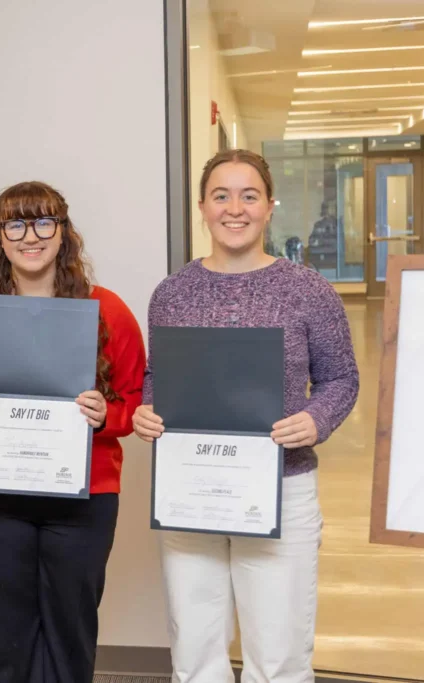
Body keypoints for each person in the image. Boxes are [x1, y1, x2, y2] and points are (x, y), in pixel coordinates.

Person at [133, 149, 360, 683]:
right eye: (221, 196)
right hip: (191, 489)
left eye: (249, 195)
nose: (234, 208)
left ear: (269, 205)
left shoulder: (308, 290)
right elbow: (157, 376)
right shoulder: (171, 294)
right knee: (194, 655)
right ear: (202, 207)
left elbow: (341, 379)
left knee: (278, 660)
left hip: (281, 490)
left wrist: (317, 419)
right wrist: (147, 410)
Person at [0, 181, 147, 683]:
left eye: (44, 222)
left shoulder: (106, 309)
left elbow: (137, 401)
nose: (31, 236)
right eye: (16, 224)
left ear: (64, 232)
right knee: (4, 631)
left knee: (71, 630)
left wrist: (105, 415)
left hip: (84, 497)